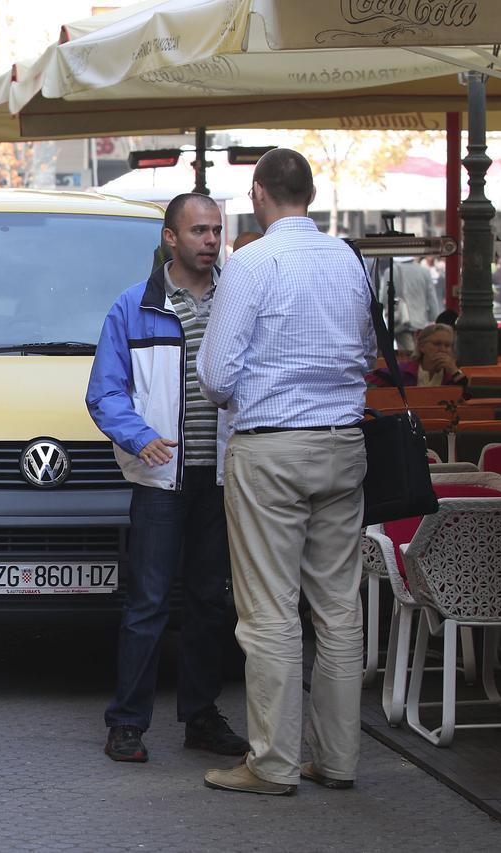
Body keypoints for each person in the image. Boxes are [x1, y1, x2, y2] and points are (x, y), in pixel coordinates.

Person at [197, 148, 373, 796]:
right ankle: (339, 757)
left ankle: (271, 762)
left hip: (270, 447)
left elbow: (216, 377)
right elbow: (370, 350)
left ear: (259, 193)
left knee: (269, 609)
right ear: (311, 192)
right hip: (343, 444)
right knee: (337, 607)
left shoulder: (251, 263)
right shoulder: (348, 261)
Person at [86, 192, 249, 764]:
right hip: (159, 481)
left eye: (216, 230)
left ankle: (201, 719)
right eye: (199, 231)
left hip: (225, 479)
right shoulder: (133, 307)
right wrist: (137, 436)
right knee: (148, 603)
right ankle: (127, 723)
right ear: (170, 238)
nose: (211, 240)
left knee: (210, 602)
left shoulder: (239, 300)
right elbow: (104, 391)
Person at [366, 322, 469, 389]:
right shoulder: (404, 372)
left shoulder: (453, 376)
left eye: (447, 345)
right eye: (437, 344)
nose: (443, 349)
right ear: (421, 346)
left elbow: (465, 399)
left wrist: (454, 372)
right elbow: (370, 382)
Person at [378, 256, 441, 353]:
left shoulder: (390, 271)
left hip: (401, 321)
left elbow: (384, 299)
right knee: (420, 352)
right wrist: (435, 319)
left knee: (408, 354)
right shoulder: (424, 271)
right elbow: (432, 298)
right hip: (421, 322)